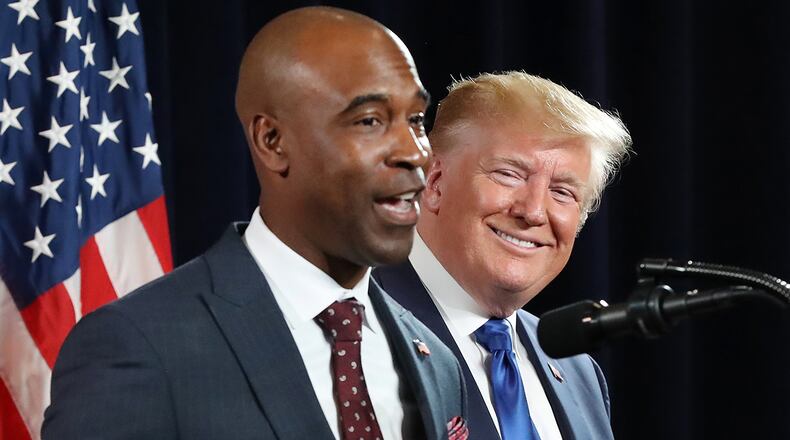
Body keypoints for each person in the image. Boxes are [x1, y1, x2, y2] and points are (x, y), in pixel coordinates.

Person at [42, 7, 468, 440]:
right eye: (370, 121)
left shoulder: (436, 362)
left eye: (416, 120)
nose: (415, 152)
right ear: (272, 141)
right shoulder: (138, 346)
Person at [374, 71, 632, 439]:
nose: (534, 211)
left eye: (562, 192)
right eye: (509, 174)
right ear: (434, 182)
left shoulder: (579, 374)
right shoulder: (357, 325)